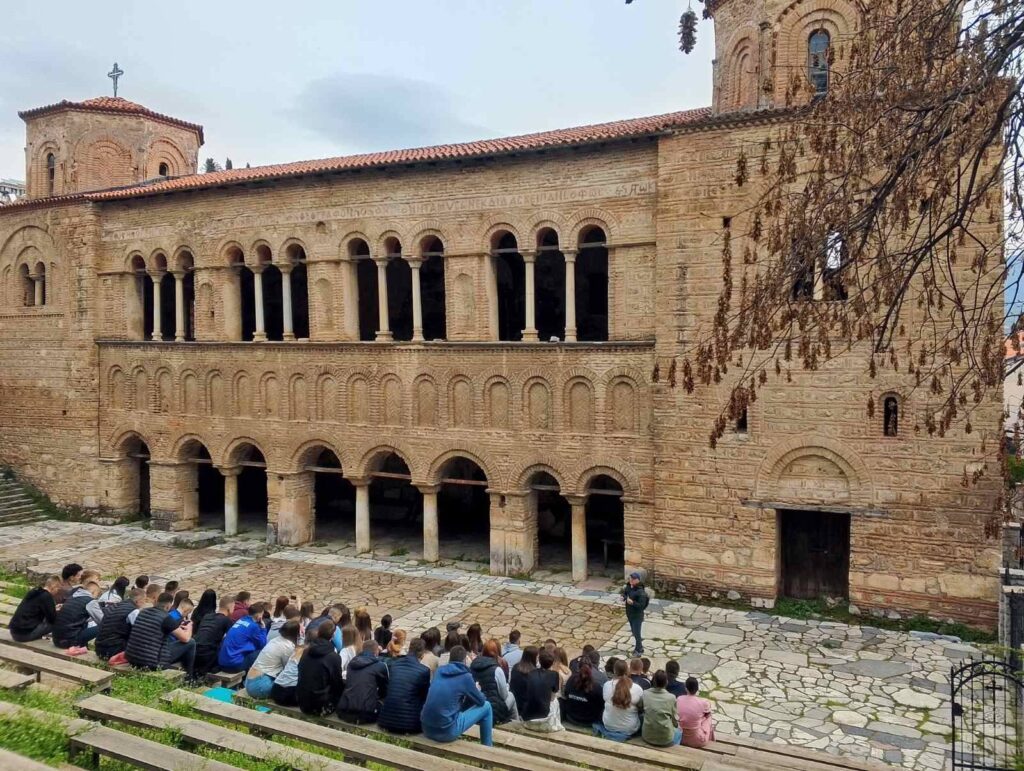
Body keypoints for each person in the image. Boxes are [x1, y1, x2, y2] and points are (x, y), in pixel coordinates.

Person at [420, 646, 493, 747]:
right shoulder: (465, 677)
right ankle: (487, 747)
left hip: (426, 728)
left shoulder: (439, 671)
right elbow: (481, 701)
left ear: (450, 658)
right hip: (446, 732)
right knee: (487, 706)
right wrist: (477, 689)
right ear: (465, 660)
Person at [125, 592, 197, 679]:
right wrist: (190, 627)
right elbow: (185, 638)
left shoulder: (142, 612)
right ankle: (189, 678)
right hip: (151, 661)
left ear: (157, 601)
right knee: (191, 643)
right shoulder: (166, 618)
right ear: (168, 606)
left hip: (131, 657)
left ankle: (187, 676)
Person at [378, 638, 431, 734]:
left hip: (386, 720)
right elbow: (425, 696)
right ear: (422, 654)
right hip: (410, 724)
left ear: (409, 649)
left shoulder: (394, 665)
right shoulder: (424, 671)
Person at [297, 620, 343, 716]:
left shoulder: (306, 651)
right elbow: (337, 683)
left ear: (318, 633)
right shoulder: (333, 657)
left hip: (302, 702)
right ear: (333, 636)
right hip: (320, 706)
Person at [337, 640, 389, 724]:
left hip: (345, 709)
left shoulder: (352, 663)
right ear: (376, 651)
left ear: (362, 649)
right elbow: (384, 690)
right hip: (367, 713)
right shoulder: (380, 666)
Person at [246, 619, 300, 699]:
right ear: (296, 634)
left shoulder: (274, 640)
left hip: (249, 681)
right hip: (260, 685)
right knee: (290, 689)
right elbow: (288, 669)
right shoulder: (287, 646)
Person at [470, 638, 517, 725]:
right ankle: (515, 724)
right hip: (492, 711)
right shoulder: (497, 669)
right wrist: (507, 686)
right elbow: (504, 695)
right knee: (511, 695)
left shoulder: (473, 665)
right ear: (497, 652)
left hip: (475, 707)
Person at [594, 658, 643, 741]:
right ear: (627, 671)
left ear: (614, 670)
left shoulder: (607, 685)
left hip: (608, 725)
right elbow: (641, 708)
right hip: (630, 729)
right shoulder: (637, 688)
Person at [95, 587, 146, 660]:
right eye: (144, 600)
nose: (145, 603)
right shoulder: (133, 611)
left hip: (99, 648)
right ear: (138, 601)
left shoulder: (116, 605)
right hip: (113, 650)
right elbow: (140, 632)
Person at [218, 602, 268, 673]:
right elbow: (262, 644)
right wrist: (263, 628)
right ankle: (251, 677)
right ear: (258, 616)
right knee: (261, 652)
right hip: (234, 666)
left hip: (222, 663)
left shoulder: (241, 620)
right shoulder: (254, 626)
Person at [520, 649, 563, 732]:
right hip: (544, 715)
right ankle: (555, 724)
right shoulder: (554, 674)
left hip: (527, 715)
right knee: (556, 701)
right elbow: (552, 698)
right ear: (552, 663)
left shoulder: (531, 673)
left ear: (539, 661)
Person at [52, 581, 103, 649]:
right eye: (97, 595)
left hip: (57, 640)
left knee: (85, 622)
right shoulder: (90, 601)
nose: (97, 597)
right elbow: (103, 620)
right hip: (69, 641)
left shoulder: (72, 597)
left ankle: (83, 646)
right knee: (105, 625)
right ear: (93, 592)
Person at [10, 575, 61, 642]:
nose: (58, 591)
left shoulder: (34, 591)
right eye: (58, 589)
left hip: (14, 631)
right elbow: (52, 619)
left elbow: (36, 608)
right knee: (57, 622)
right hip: (24, 635)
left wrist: (53, 608)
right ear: (53, 587)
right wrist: (57, 611)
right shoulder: (47, 596)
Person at [194, 596, 234, 677]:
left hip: (195, 650)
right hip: (208, 655)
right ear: (229, 608)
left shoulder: (207, 616)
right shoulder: (226, 620)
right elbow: (232, 639)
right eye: (233, 608)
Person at [642, 670, 683, 746]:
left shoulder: (645, 693)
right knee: (679, 732)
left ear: (654, 681)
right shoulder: (671, 698)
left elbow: (640, 707)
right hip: (665, 739)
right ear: (666, 682)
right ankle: (674, 749)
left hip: (647, 736)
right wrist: (676, 726)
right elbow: (674, 718)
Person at [561, 658, 604, 727]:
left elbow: (566, 694)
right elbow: (602, 704)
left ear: (578, 668)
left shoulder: (571, 680)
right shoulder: (596, 687)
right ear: (591, 669)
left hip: (571, 717)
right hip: (589, 721)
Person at [676, 677, 716, 748]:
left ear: (686, 688)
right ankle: (712, 740)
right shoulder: (703, 702)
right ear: (697, 689)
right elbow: (708, 713)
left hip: (680, 737)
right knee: (708, 717)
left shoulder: (679, 699)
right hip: (697, 741)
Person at [620, 571, 649, 656]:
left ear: (637, 580)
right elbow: (626, 594)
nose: (631, 580)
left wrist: (632, 603)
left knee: (636, 633)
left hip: (637, 616)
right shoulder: (629, 586)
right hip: (630, 614)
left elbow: (641, 606)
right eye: (631, 578)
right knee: (634, 631)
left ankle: (639, 649)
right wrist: (623, 597)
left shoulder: (641, 592)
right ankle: (639, 648)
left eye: (633, 579)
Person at [509, 645, 539, 715]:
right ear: (533, 657)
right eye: (537, 657)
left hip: (515, 702)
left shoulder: (516, 667)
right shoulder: (535, 673)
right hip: (527, 707)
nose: (538, 659)